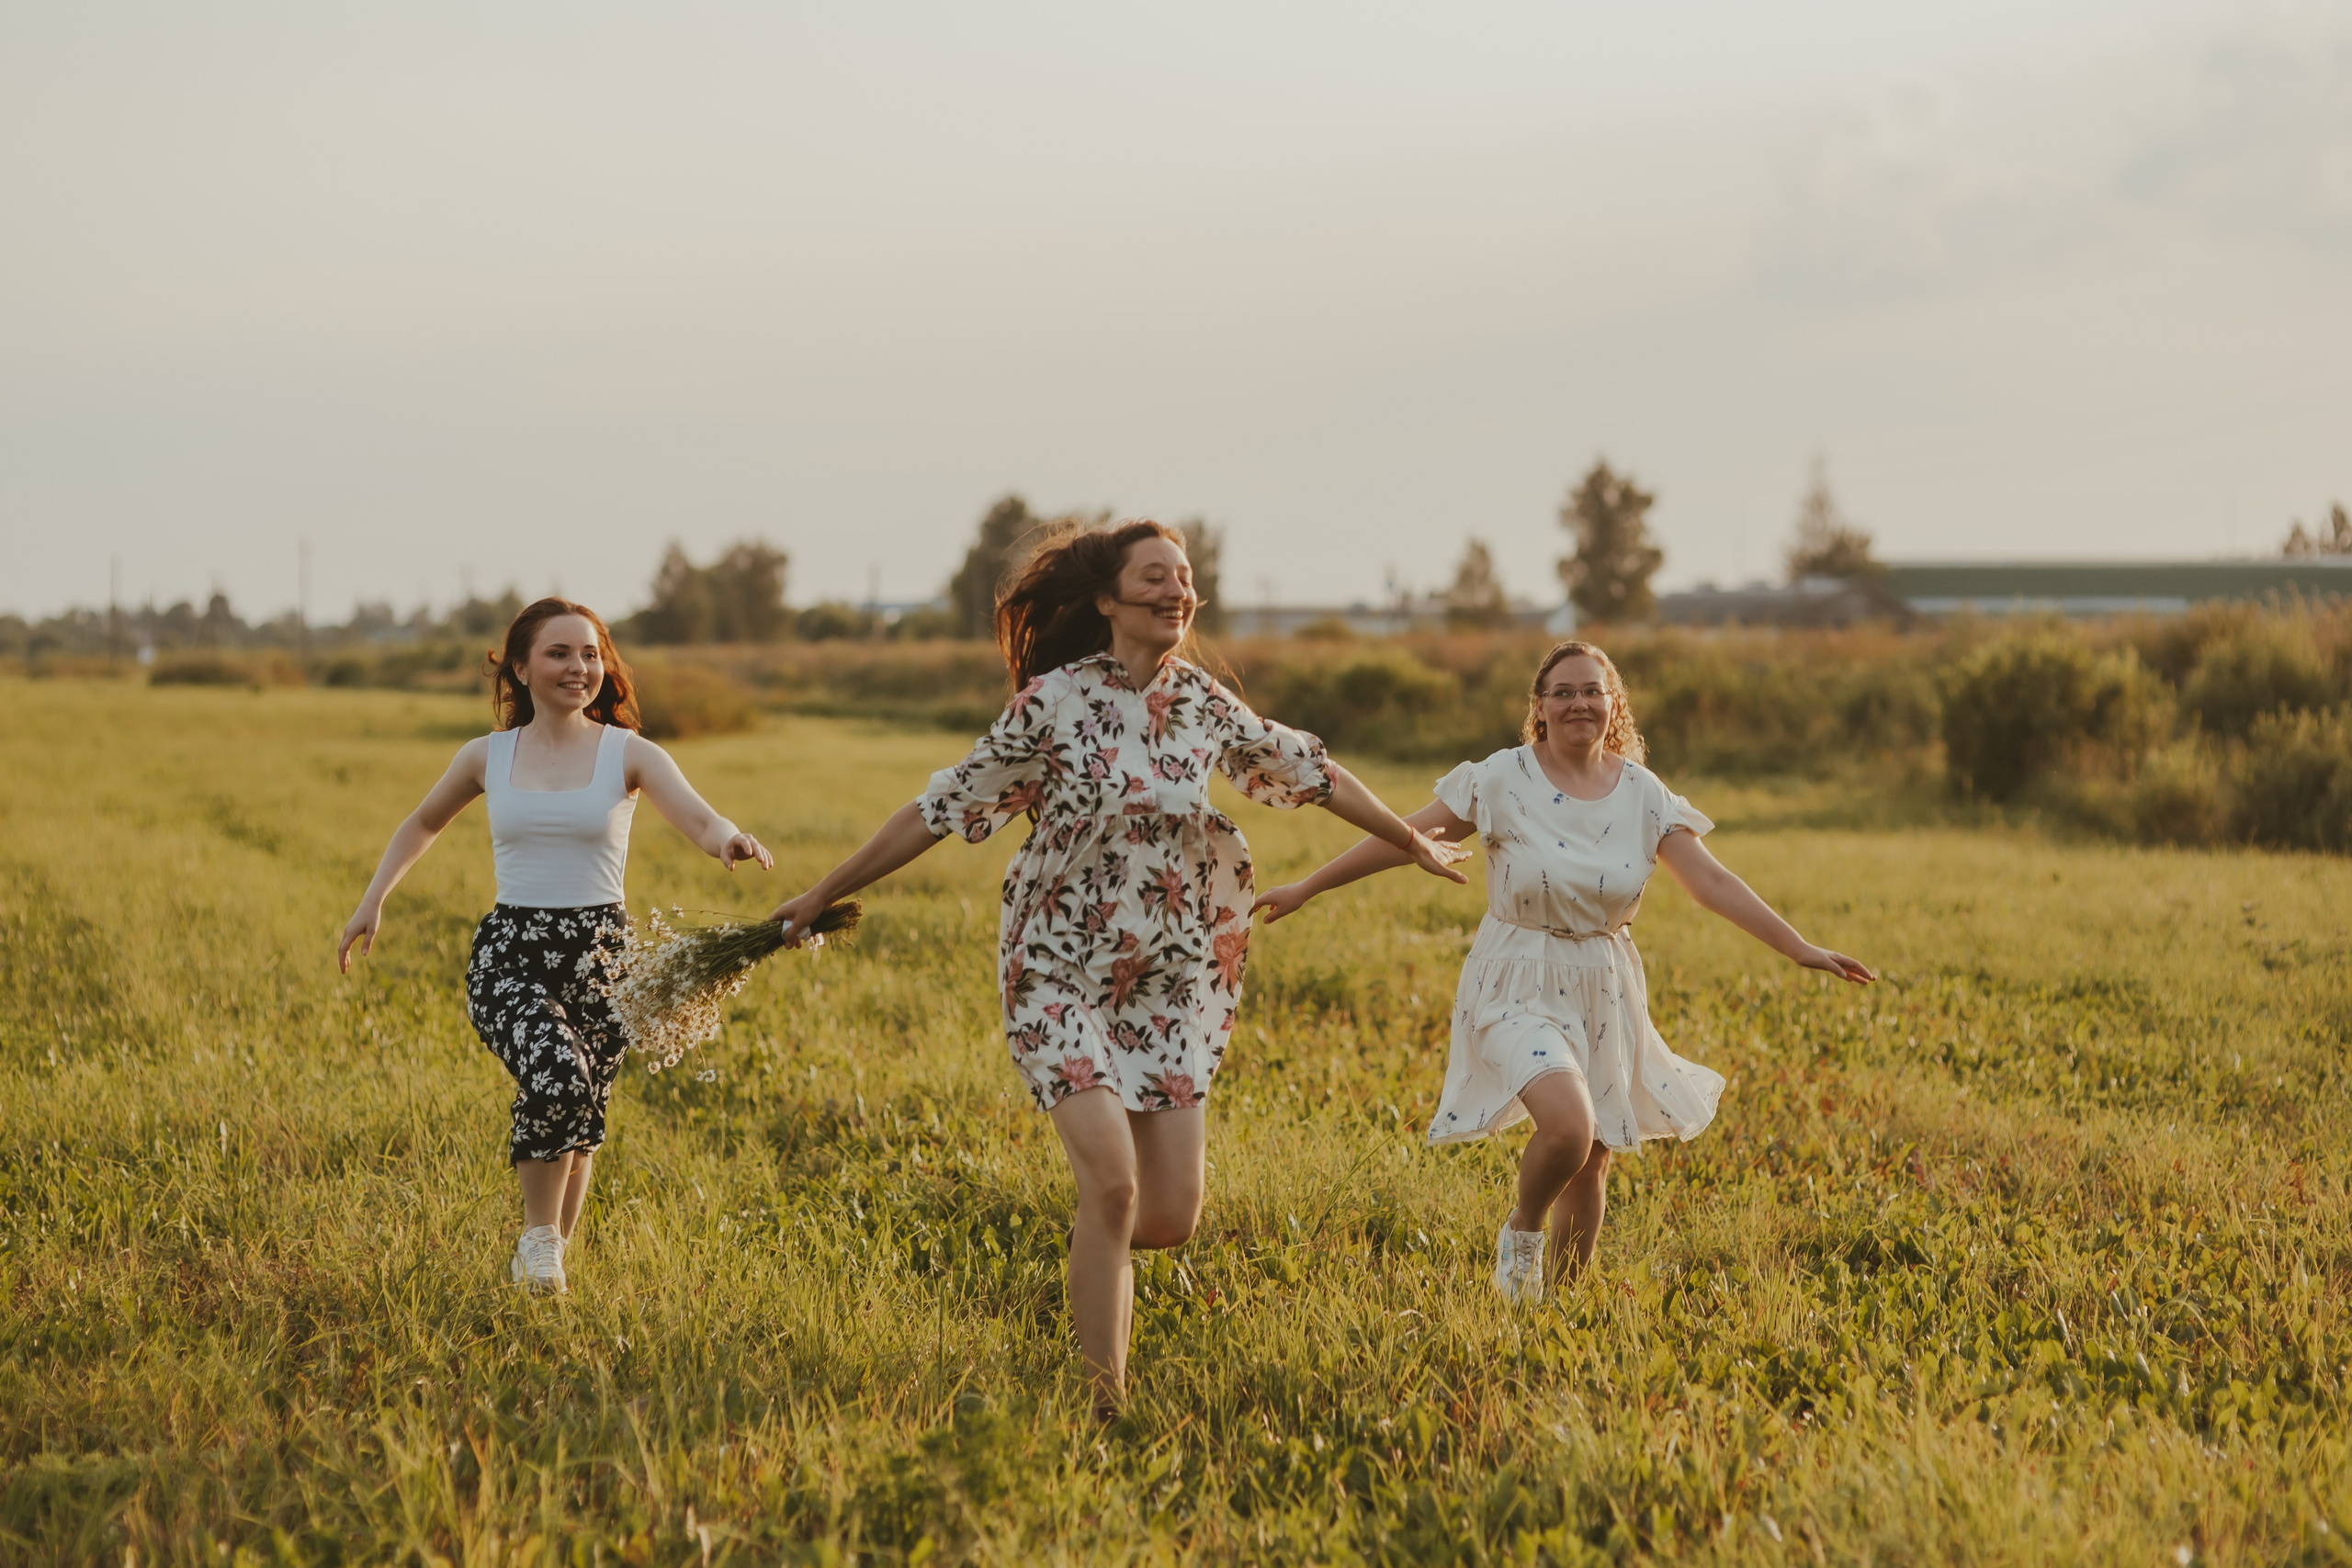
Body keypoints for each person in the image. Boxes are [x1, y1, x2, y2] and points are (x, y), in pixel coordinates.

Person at [767, 520, 1467, 1415]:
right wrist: (820, 890)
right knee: (1114, 1185)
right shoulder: (1052, 705)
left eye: (1185, 580)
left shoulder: (1204, 705)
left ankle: (1092, 1250)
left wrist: (1411, 842)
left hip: (1171, 975)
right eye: (1154, 578)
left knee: (1166, 1219)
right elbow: (937, 809)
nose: (1176, 593)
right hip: (1056, 966)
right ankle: (1106, 1406)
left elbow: (1315, 774)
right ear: (1107, 600)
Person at [1253, 639, 1873, 1300]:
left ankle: (1561, 1304)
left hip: (1603, 980)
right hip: (1515, 973)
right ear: (1540, 708)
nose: (1580, 702)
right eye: (1564, 692)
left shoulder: (1643, 793)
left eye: (1593, 690)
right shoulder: (1501, 778)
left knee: (1593, 1156)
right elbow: (1404, 835)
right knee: (1570, 1126)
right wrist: (1308, 887)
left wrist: (1798, 945)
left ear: (1614, 705)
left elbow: (1713, 882)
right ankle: (1523, 1231)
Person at [337, 598, 773, 1295]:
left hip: (604, 958)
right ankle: (540, 1241)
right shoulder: (487, 755)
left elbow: (693, 810)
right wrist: (372, 898)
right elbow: (422, 821)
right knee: (559, 1080)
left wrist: (728, 838)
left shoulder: (628, 752)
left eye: (591, 654)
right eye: (560, 653)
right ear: (520, 665)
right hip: (512, 951)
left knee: (584, 1111)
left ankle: (549, 1262)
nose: (579, 667)